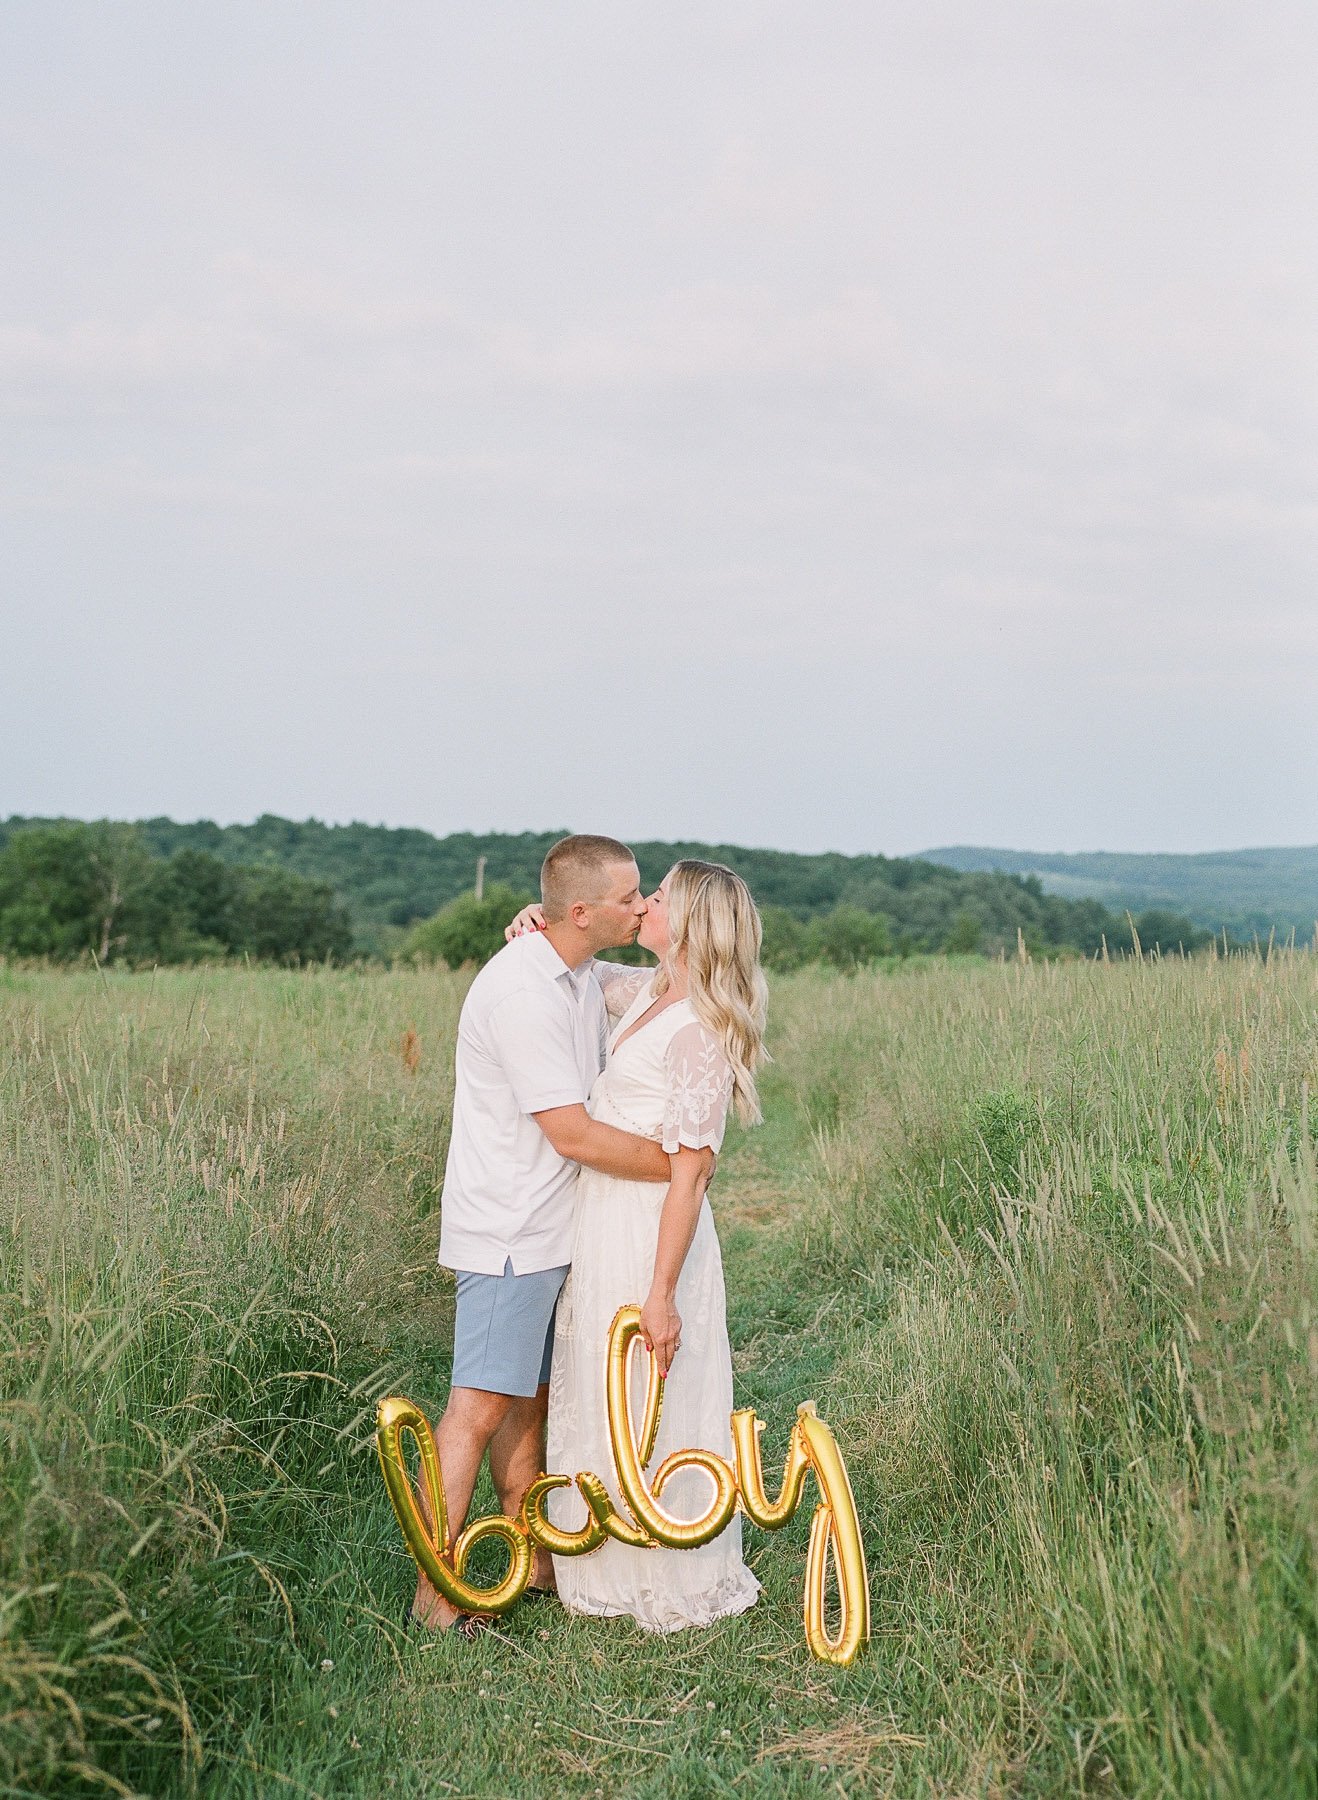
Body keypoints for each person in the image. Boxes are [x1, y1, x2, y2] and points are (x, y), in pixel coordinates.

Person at [410, 834, 676, 1635]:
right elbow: (570, 1132)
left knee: (528, 1401)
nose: (641, 906)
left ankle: (536, 1564)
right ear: (584, 910)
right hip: (510, 1234)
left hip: (557, 1230)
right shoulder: (524, 989)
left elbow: (669, 989)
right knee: (478, 1406)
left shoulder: (578, 973)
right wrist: (679, 1167)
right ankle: (435, 1596)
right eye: (631, 897)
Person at [507, 859, 768, 1632]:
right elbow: (589, 972)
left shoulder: (700, 1031)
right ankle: (602, 1560)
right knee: (599, 1375)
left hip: (655, 1229)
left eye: (656, 898)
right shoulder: (651, 995)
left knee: (650, 1388)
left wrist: (662, 1293)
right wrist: (541, 923)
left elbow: (690, 1177)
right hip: (604, 1216)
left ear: (687, 922)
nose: (644, 904)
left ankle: (665, 1566)